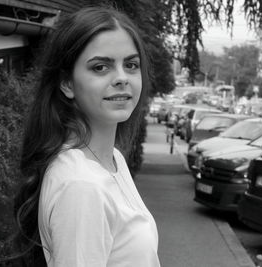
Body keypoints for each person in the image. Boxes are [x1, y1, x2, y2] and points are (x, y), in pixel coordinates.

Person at [13, 6, 160, 267]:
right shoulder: (82, 186)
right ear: (67, 83)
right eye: (101, 67)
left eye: (131, 64)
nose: (122, 78)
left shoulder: (112, 159)